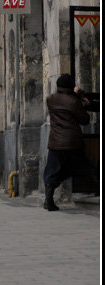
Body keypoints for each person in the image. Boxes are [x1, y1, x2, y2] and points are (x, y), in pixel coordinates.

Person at [43, 74, 96, 211]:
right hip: (72, 141)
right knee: (85, 167)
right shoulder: (73, 101)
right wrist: (80, 97)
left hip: (55, 142)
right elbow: (84, 120)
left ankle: (48, 198)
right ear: (71, 86)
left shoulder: (50, 99)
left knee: (52, 171)